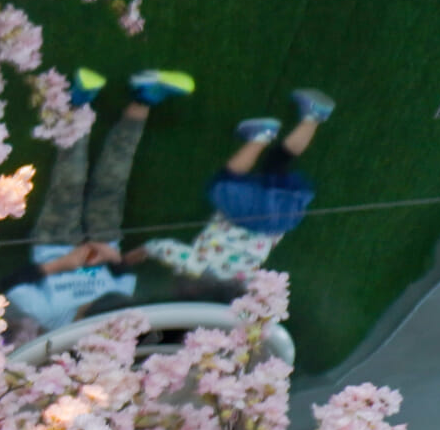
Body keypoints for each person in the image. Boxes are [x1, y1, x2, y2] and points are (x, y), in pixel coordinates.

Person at [3, 67, 193, 339]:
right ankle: (143, 98)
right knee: (113, 181)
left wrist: (62, 264)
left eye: (85, 307)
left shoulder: (52, 318)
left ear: (80, 319)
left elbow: (10, 283)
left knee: (69, 182)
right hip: (104, 242)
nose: (87, 301)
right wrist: (113, 258)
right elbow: (121, 272)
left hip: (55, 245)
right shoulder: (119, 308)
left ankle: (78, 105)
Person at [125, 88, 333, 288]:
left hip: (279, 220)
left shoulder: (245, 284)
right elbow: (163, 248)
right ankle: (261, 136)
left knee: (279, 162)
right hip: (243, 215)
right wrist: (138, 254)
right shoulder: (196, 270)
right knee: (225, 180)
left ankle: (313, 116)